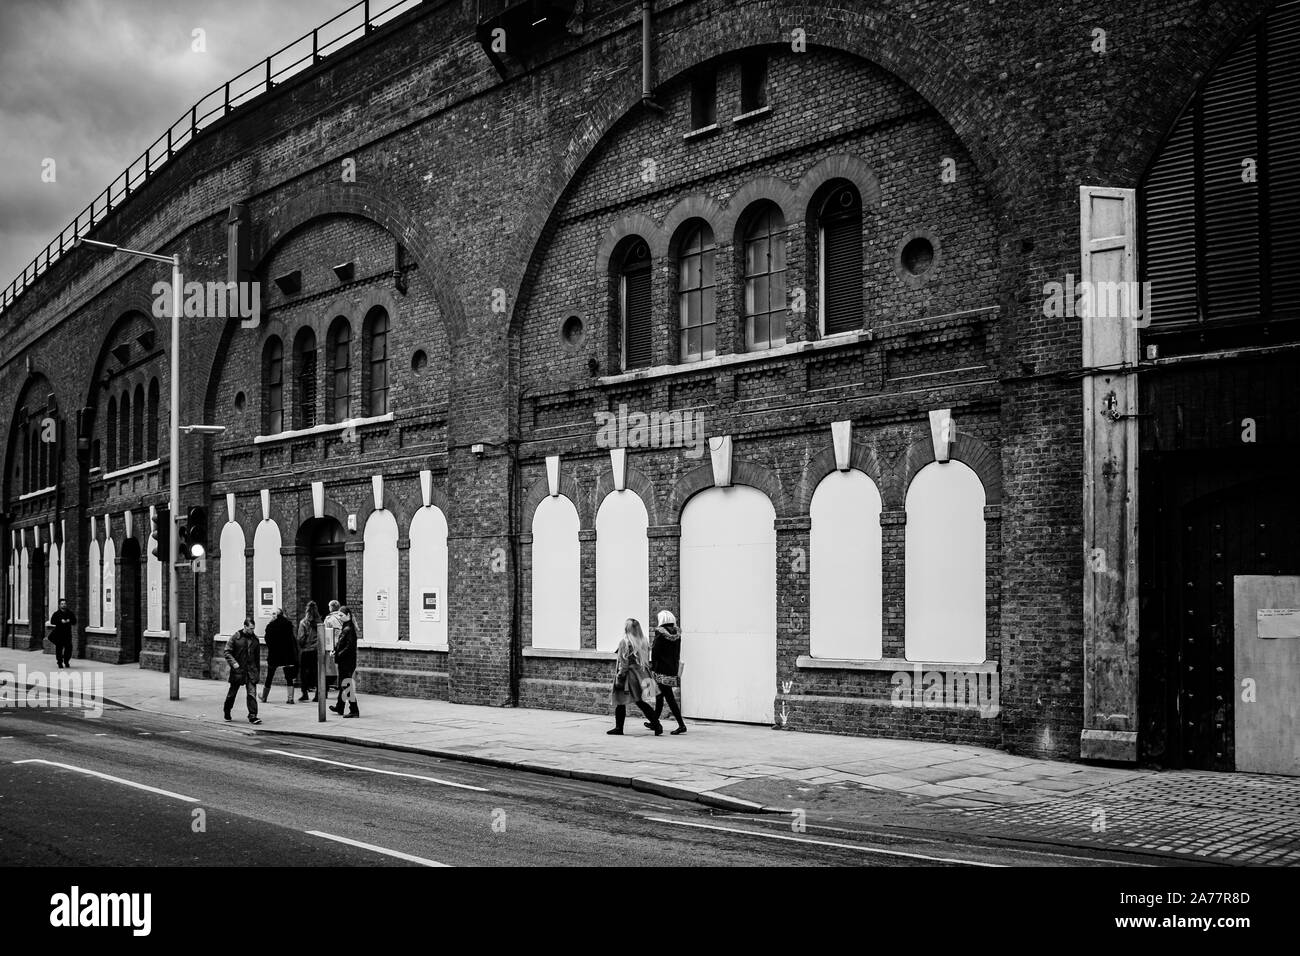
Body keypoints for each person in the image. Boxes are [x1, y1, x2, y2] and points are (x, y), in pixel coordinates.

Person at [608, 618, 663, 736]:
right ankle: (656, 724)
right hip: (642, 674)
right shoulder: (644, 641)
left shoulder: (625, 642)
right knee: (640, 702)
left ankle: (619, 728)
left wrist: (620, 677)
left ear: (627, 629)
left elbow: (623, 664)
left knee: (620, 701)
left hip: (629, 676)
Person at [645, 609, 686, 734]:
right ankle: (655, 722)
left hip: (660, 669)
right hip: (671, 669)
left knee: (669, 697)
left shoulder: (660, 634)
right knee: (660, 696)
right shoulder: (677, 635)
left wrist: (653, 668)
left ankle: (681, 725)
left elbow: (655, 653)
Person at [223, 617, 262, 724]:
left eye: (253, 628)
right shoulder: (236, 637)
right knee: (232, 693)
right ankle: (227, 711)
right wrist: (234, 663)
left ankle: (253, 715)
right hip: (239, 670)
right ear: (245, 627)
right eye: (250, 628)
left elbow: (257, 658)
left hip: (251, 671)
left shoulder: (255, 640)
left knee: (252, 694)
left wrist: (257, 672)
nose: (252, 631)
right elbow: (227, 651)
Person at [261, 608, 298, 704]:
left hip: (275, 655)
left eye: (274, 614)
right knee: (289, 677)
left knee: (270, 676)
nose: (272, 615)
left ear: (278, 615)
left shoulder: (270, 626)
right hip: (287, 655)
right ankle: (290, 698)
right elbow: (292, 640)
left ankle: (264, 697)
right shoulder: (289, 625)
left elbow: (268, 641)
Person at [330, 605, 360, 718]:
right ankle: (340, 706)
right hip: (346, 661)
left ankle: (354, 710)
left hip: (347, 662)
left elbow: (349, 647)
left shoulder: (349, 629)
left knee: (346, 685)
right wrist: (335, 650)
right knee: (344, 684)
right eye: (339, 615)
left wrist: (338, 653)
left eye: (342, 615)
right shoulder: (346, 627)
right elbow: (342, 644)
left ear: (348, 615)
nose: (340, 617)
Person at [297, 601, 322, 702]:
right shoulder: (319, 622)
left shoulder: (303, 622)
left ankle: (305, 694)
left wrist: (302, 645)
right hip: (316, 650)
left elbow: (300, 638)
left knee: (304, 673)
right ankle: (317, 695)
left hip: (306, 651)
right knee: (317, 672)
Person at [48, 598, 76, 669]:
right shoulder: (56, 614)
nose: (63, 605)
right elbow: (52, 621)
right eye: (62, 604)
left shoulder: (70, 613)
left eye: (65, 604)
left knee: (69, 649)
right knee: (59, 649)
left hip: (67, 634)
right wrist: (60, 621)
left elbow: (74, 621)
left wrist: (70, 620)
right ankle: (59, 662)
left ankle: (66, 661)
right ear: (59, 605)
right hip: (59, 634)